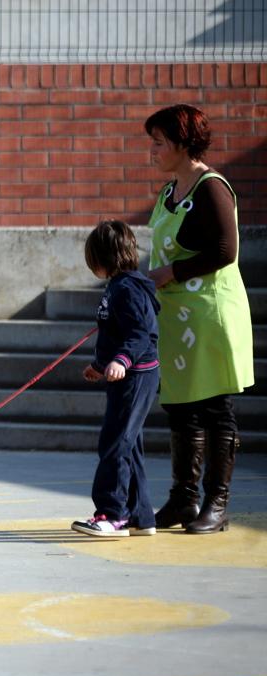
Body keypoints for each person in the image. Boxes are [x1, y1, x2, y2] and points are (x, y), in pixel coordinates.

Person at [143, 104, 255, 534]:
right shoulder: (169, 190)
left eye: (158, 142)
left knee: (214, 408)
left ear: (183, 144)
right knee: (180, 409)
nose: (152, 150)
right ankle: (183, 500)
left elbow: (226, 251)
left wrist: (170, 272)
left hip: (209, 316)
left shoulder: (211, 188)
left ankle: (217, 503)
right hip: (175, 319)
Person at [71, 221, 161, 538]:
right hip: (124, 376)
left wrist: (122, 360)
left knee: (115, 442)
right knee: (129, 444)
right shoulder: (117, 287)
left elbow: (141, 334)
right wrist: (100, 364)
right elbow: (113, 334)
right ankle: (140, 515)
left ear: (101, 257)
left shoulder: (128, 289)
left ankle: (112, 514)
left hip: (136, 377)